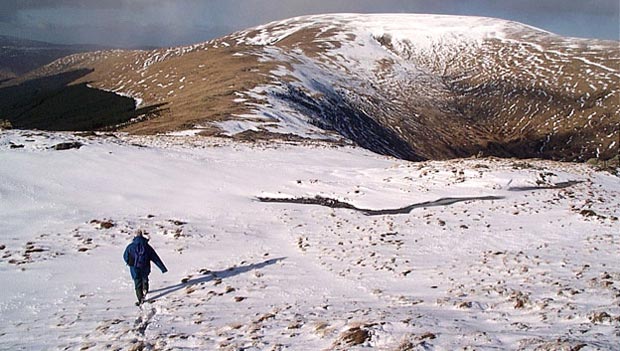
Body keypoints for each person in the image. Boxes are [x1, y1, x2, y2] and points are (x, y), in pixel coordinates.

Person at [123, 229, 168, 306]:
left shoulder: (130, 247)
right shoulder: (147, 247)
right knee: (145, 278)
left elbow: (125, 256)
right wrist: (162, 268)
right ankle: (145, 289)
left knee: (137, 282)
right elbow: (155, 258)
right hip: (145, 267)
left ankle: (140, 299)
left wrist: (129, 263)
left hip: (134, 268)